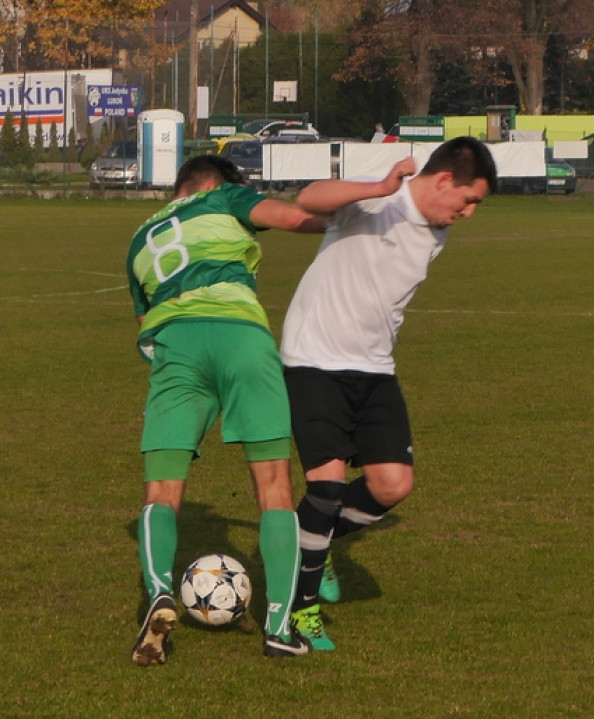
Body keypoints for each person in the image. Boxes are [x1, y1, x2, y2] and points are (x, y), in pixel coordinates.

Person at [280, 137, 498, 651]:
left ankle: (313, 540)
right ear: (444, 180)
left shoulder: (436, 233)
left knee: (392, 487)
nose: (468, 212)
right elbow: (309, 199)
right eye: (469, 200)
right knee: (327, 489)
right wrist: (379, 185)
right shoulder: (379, 200)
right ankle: (301, 613)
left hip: (374, 368)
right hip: (314, 359)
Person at [127, 155, 326, 666]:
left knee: (161, 490)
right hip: (240, 337)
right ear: (215, 184)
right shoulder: (221, 198)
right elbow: (289, 217)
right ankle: (279, 628)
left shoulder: (138, 243)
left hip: (176, 345)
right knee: (273, 484)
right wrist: (355, 222)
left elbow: (145, 324)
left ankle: (158, 594)